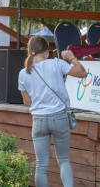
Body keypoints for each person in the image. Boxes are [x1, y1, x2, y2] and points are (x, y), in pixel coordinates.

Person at [18, 35, 87, 187]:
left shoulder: (23, 73)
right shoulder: (56, 63)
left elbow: (27, 102)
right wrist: (72, 57)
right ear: (45, 51)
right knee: (63, 160)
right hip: (59, 117)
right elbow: (82, 73)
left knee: (41, 165)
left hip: (38, 120)